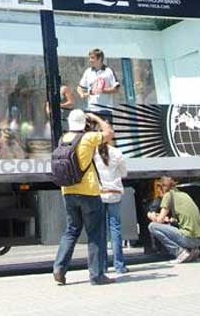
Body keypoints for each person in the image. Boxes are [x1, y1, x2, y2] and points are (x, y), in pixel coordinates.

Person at [53, 108, 114, 286]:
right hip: (88, 192)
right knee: (95, 233)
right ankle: (96, 275)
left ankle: (59, 268)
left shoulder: (63, 139)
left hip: (68, 191)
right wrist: (96, 118)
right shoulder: (88, 138)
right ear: (84, 123)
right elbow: (109, 133)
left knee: (71, 230)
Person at [148, 175, 200, 263]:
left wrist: (151, 216)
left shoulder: (168, 195)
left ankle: (179, 252)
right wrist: (168, 219)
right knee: (175, 226)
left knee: (152, 226)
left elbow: (159, 221)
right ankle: (192, 250)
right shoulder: (184, 194)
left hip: (189, 238)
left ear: (162, 187)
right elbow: (178, 220)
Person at [94, 139, 128, 276]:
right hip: (114, 193)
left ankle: (102, 266)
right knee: (115, 228)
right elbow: (124, 173)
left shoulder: (93, 153)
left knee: (101, 230)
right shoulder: (116, 153)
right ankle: (119, 265)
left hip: (99, 193)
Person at [77, 48, 120, 121]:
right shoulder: (88, 72)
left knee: (106, 129)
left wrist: (102, 90)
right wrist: (82, 94)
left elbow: (116, 89)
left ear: (99, 59)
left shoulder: (108, 71)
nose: (90, 60)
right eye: (89, 58)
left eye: (92, 58)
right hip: (91, 110)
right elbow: (79, 87)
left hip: (105, 110)